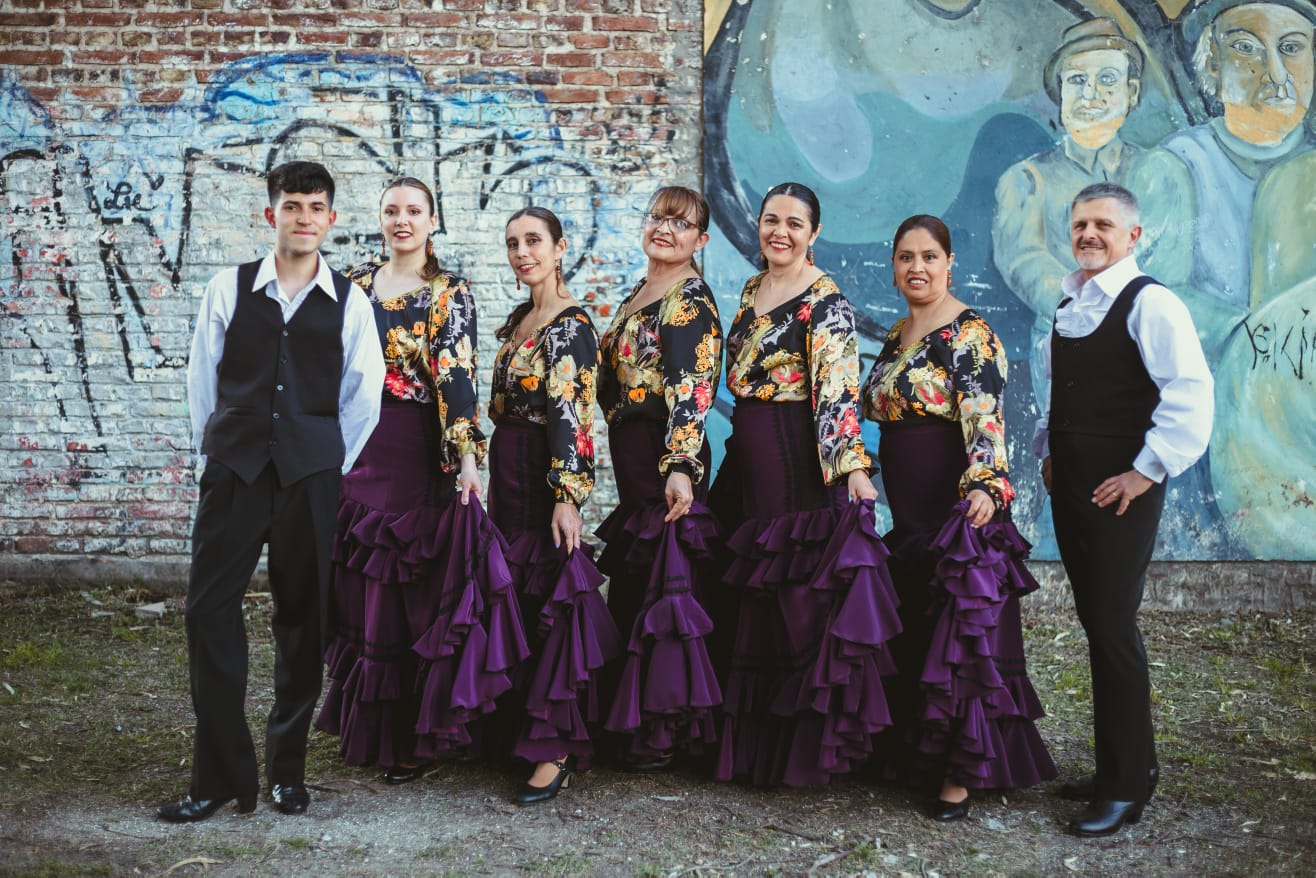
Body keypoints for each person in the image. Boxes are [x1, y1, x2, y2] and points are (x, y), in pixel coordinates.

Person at [159, 161, 384, 822]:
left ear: (330, 219)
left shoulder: (350, 301)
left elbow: (363, 397)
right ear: (271, 215)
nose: (303, 217)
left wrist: (322, 461)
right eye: (292, 206)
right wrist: (220, 452)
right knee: (208, 612)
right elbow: (203, 381)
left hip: (310, 478)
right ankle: (220, 775)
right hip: (234, 473)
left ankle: (288, 772)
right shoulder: (227, 289)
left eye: (315, 207)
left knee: (303, 620)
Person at [314, 178, 528, 782]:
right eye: (392, 210)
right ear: (379, 218)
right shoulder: (352, 283)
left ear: (433, 220)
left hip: (413, 447)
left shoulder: (447, 293)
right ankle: (366, 722)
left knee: (403, 589)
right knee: (360, 581)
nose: (401, 220)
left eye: (414, 211)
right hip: (357, 445)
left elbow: (457, 380)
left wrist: (467, 461)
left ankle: (412, 732)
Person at [862, 215, 1057, 821]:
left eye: (929, 256)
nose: (916, 267)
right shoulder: (898, 334)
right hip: (910, 515)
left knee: (961, 643)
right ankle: (919, 756)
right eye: (905, 257)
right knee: (921, 632)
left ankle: (960, 773)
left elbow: (985, 416)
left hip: (957, 509)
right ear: (894, 267)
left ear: (950, 264)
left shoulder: (970, 333)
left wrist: (986, 485)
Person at [709, 181, 900, 787]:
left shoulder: (826, 303)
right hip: (748, 457)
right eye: (771, 220)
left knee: (792, 593)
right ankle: (751, 744)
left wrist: (854, 471)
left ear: (814, 233)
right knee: (748, 589)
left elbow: (837, 395)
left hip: (795, 461)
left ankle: (802, 748)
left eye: (795, 223)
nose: (780, 232)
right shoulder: (752, 289)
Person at [1036, 182, 1213, 837]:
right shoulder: (1072, 301)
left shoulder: (1151, 303)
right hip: (1073, 482)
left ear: (1133, 236)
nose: (1089, 234)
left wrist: (1145, 472)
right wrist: (1048, 451)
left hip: (1121, 489)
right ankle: (1129, 763)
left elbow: (1190, 392)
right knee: (1097, 623)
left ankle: (1126, 787)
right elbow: (1059, 388)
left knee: (1112, 628)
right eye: (1080, 223)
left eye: (1103, 225)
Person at [486, 206, 623, 804]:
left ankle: (557, 748)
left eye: (534, 241)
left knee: (550, 598)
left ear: (560, 247)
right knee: (514, 595)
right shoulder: (523, 318)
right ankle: (518, 729)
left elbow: (573, 416)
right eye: (513, 243)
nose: (523, 253)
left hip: (541, 474)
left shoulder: (570, 325)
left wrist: (568, 496)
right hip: (507, 476)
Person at [595, 185, 723, 770]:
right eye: (657, 217)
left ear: (701, 240)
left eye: (681, 223)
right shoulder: (641, 292)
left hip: (662, 454)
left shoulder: (689, 298)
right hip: (632, 453)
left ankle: (664, 731)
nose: (665, 229)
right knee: (639, 576)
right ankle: (630, 720)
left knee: (666, 582)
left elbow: (692, 391)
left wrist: (679, 466)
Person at [992, 17, 1146, 407]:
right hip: (1069, 349)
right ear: (1060, 92)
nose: (1090, 94)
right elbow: (1025, 262)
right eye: (1077, 80)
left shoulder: (1156, 172)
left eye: (1107, 79)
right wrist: (1087, 311)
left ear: (1131, 92)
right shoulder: (1028, 179)